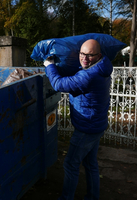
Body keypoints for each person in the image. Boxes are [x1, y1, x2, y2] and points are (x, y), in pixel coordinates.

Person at [43, 39, 113, 200]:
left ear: (99, 55)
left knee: (70, 164)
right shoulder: (102, 67)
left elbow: (59, 84)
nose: (84, 58)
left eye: (90, 55)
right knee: (90, 164)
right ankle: (93, 196)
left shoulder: (89, 76)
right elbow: (79, 70)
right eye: (82, 54)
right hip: (96, 124)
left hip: (86, 128)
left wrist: (50, 66)